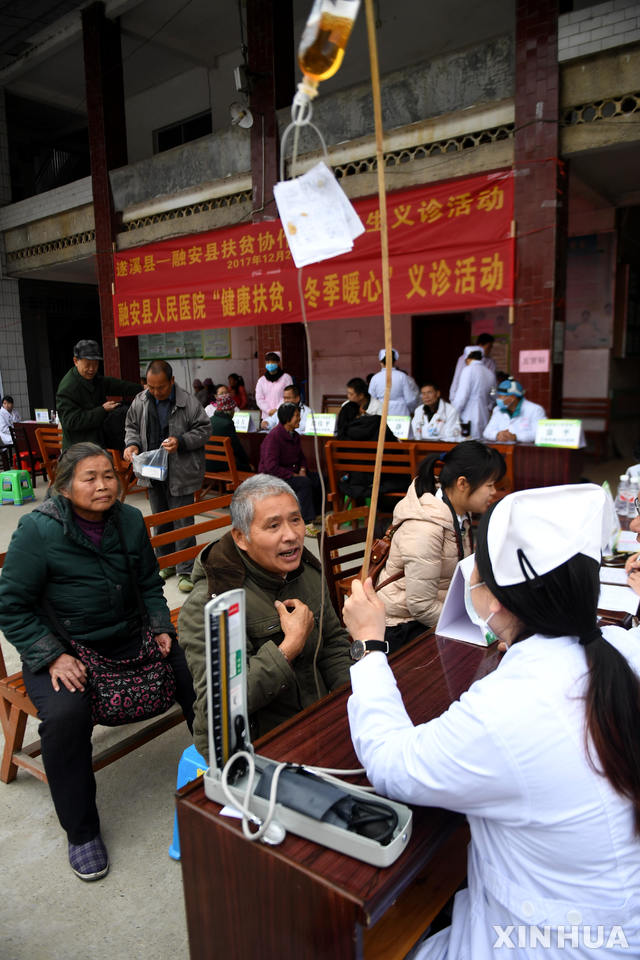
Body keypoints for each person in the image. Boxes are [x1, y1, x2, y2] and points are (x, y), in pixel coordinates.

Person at [345, 483, 640, 959]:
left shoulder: (509, 709)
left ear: (498, 602)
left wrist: (368, 645)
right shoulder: (618, 651)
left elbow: (392, 764)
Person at [0, 443, 195, 881]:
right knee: (66, 716)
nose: (103, 485)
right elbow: (12, 607)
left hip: (129, 635)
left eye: (109, 475)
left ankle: (225, 770)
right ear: (64, 486)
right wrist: (51, 656)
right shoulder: (37, 530)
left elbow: (148, 583)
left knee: (196, 671)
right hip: (62, 647)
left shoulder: (128, 520)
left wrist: (161, 626)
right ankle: (82, 832)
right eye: (89, 478)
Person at [178, 474, 351, 756]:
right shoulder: (212, 604)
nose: (292, 535)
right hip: (258, 748)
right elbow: (219, 709)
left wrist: (354, 704)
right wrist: (287, 649)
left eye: (295, 520)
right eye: (273, 525)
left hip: (318, 720)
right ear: (241, 538)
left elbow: (332, 645)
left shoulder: (306, 572)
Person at [376, 442, 505, 651]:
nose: (494, 492)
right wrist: (475, 627)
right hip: (401, 625)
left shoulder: (458, 512)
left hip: (439, 611)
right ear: (462, 483)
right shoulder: (425, 528)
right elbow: (420, 605)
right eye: (489, 485)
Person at [123, 359, 211, 593]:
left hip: (181, 470)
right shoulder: (141, 401)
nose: (155, 392)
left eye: (160, 387)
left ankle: (186, 570)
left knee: (182, 520)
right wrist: (131, 445)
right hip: (152, 470)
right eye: (150, 387)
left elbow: (204, 430)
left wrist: (181, 441)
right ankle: (166, 562)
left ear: (172, 381)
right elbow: (131, 426)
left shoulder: (188, 402)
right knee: (160, 518)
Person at [56, 339, 142, 451]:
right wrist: (102, 410)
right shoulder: (68, 387)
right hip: (78, 449)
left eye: (95, 364)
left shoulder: (94, 378)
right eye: (87, 365)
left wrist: (141, 388)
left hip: (97, 444)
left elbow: (115, 385)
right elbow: (71, 422)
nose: (92, 369)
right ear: (76, 361)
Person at [258, 402, 321, 534]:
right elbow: (271, 467)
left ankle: (316, 514)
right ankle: (306, 522)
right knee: (304, 483)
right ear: (287, 419)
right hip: (274, 477)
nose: (299, 419)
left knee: (319, 479)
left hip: (292, 472)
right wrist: (293, 475)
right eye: (296, 416)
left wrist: (303, 469)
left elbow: (301, 457)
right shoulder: (273, 437)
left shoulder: (295, 435)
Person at [450, 347, 495, 439]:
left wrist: (452, 413)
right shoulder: (490, 373)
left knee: (468, 446)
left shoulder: (468, 370)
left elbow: (462, 397)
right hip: (484, 415)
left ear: (467, 358)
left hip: (468, 415)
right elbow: (493, 394)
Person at [483, 377, 547, 443]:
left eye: (501, 396)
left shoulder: (535, 410)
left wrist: (515, 437)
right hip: (500, 450)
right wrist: (497, 435)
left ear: (512, 397)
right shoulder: (497, 410)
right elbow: (486, 432)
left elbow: (539, 434)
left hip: (523, 450)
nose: (498, 399)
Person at [207, 390, 252, 472]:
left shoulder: (209, 421)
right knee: (248, 468)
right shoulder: (227, 423)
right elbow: (236, 447)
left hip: (205, 464)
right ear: (230, 410)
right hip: (221, 465)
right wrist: (248, 462)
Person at [368, 348, 420, 416]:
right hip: (400, 412)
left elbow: (371, 399)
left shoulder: (375, 378)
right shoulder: (402, 376)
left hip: (381, 413)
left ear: (380, 362)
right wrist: (410, 410)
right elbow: (410, 399)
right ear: (394, 361)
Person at [449, 332, 496, 398]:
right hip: (464, 397)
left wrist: (491, 402)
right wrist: (452, 397)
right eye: (488, 347)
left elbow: (493, 386)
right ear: (480, 345)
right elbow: (457, 379)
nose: (490, 350)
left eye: (491, 347)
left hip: (483, 399)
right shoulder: (463, 359)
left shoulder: (491, 363)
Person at [255, 351, 293, 425]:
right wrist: (268, 410)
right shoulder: (261, 380)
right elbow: (259, 399)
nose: (270, 364)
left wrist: (277, 410)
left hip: (283, 414)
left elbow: (288, 396)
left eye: (273, 361)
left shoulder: (286, 378)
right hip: (266, 416)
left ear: (278, 362)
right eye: (268, 362)